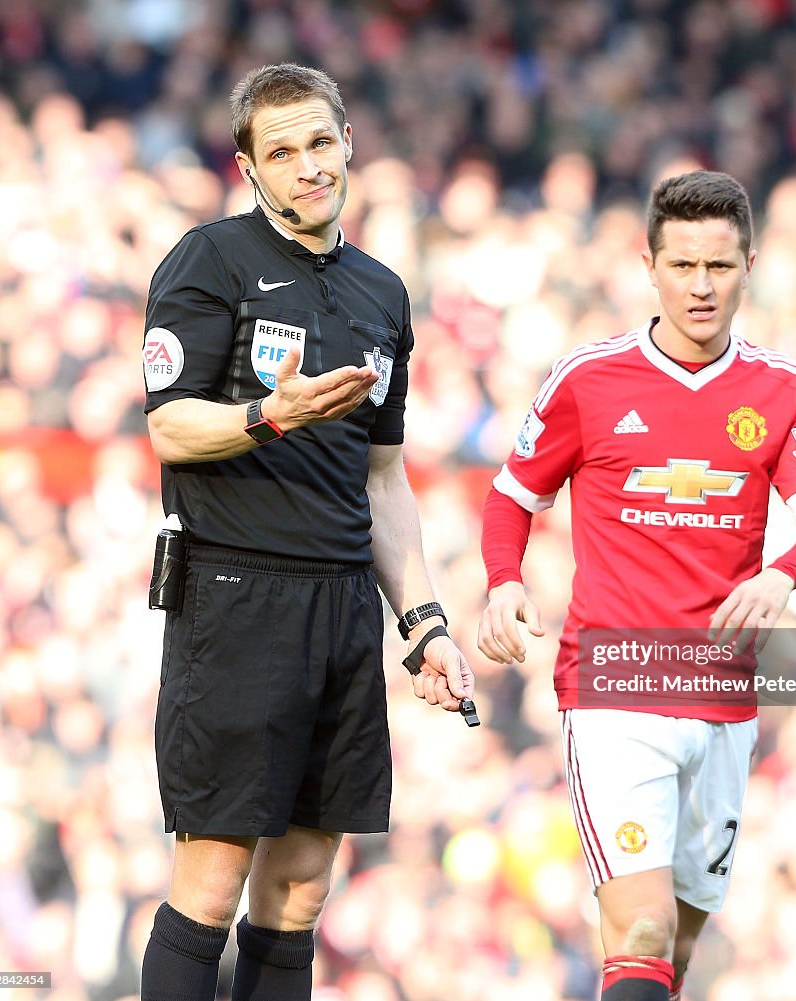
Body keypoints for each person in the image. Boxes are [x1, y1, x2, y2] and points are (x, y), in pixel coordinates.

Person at [139, 63, 473, 1001]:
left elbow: (384, 478)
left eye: (320, 143)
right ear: (249, 166)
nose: (307, 166)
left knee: (299, 888)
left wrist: (426, 620)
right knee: (211, 878)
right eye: (280, 152)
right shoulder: (209, 260)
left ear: (349, 143)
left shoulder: (382, 292)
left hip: (342, 610)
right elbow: (168, 424)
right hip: (236, 593)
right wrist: (268, 415)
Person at [478, 170, 796, 1001]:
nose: (700, 286)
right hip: (615, 689)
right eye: (682, 266)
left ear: (749, 264)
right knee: (638, 931)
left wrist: (782, 574)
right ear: (649, 264)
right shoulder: (589, 379)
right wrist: (503, 582)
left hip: (722, 699)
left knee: (673, 952)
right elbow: (511, 496)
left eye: (718, 267)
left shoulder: (779, 388)